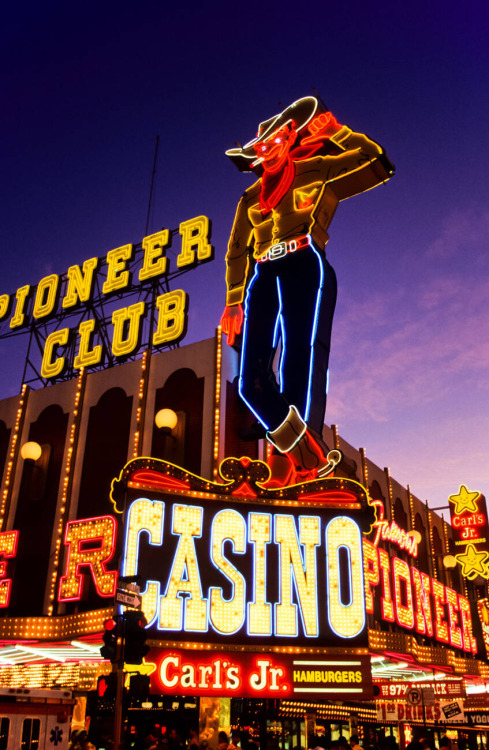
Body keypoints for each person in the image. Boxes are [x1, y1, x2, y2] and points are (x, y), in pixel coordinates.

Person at [221, 95, 394, 486]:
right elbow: (236, 250)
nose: (267, 152)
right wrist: (233, 300)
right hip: (262, 275)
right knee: (250, 381)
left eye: (274, 142)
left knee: (301, 362)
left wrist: (337, 131)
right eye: (260, 148)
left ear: (289, 139)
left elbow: (374, 164)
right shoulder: (249, 198)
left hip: (303, 261)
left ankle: (292, 466)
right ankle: (308, 455)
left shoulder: (315, 171)